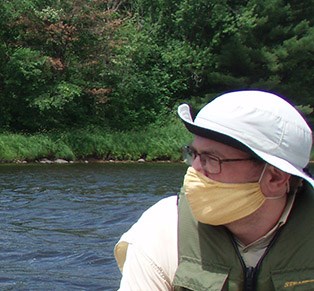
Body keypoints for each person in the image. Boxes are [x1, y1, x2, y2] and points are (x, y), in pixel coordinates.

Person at [114, 90, 314, 290]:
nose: (195, 169)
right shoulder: (162, 229)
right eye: (194, 154)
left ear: (275, 177)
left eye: (212, 159)